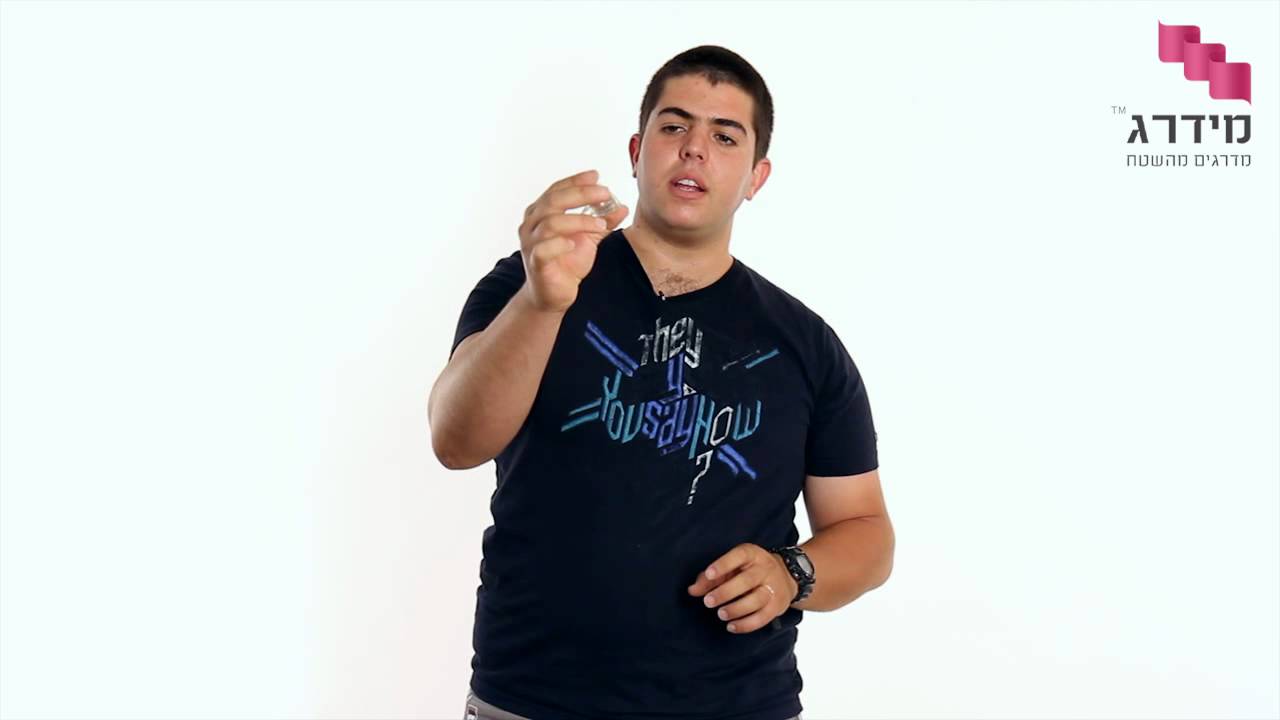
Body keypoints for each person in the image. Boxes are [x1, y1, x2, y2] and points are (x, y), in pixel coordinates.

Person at [429, 45, 894, 720]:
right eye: (674, 126)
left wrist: (792, 573)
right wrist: (541, 303)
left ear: (756, 177)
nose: (694, 148)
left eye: (725, 136)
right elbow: (455, 441)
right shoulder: (530, 281)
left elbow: (866, 531)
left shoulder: (805, 344)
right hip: (532, 698)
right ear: (636, 150)